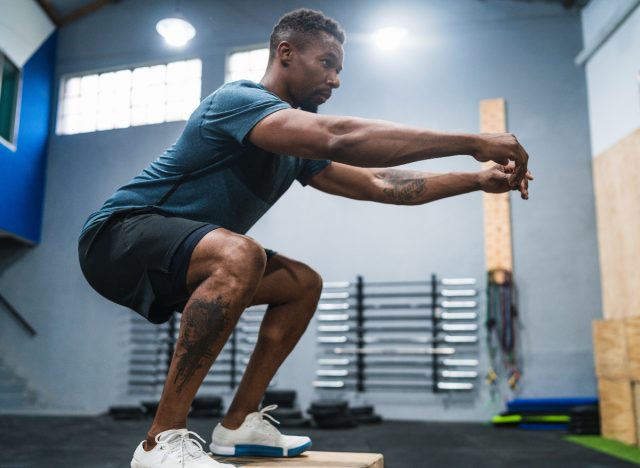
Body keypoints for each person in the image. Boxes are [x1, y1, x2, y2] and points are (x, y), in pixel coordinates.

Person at [78, 8, 533, 468]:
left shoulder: (293, 151)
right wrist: (473, 139)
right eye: (328, 63)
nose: (335, 80)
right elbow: (340, 136)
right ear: (286, 53)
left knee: (301, 284)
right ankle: (160, 442)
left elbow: (381, 185)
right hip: (117, 236)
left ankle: (238, 426)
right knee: (240, 254)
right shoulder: (239, 99)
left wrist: (474, 179)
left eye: (339, 70)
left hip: (179, 256)